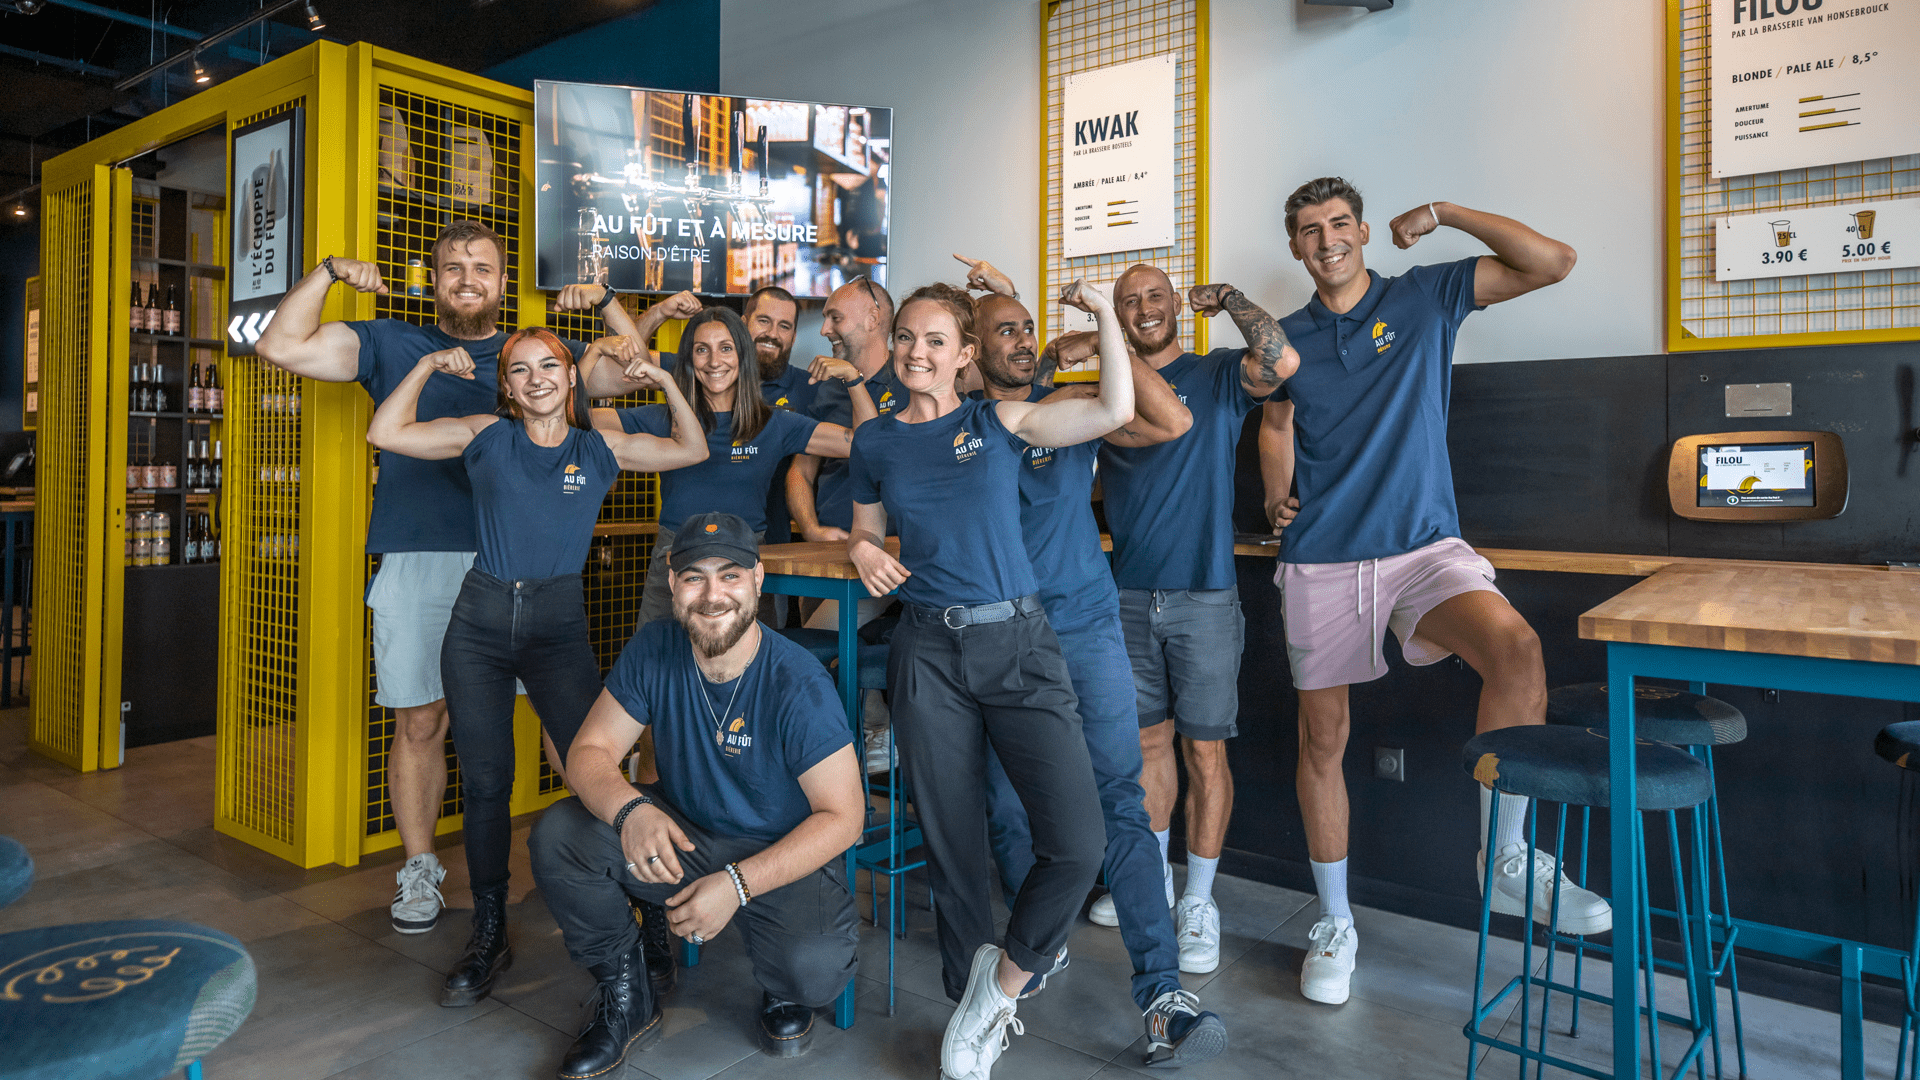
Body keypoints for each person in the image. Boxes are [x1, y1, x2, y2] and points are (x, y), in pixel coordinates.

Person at [255, 220, 660, 937]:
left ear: (503, 282)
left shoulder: (534, 355)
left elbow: (635, 366)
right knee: (421, 719)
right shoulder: (391, 342)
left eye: (482, 266)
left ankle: (602, 863)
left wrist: (603, 304)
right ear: (434, 279)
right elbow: (279, 345)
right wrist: (325, 272)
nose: (467, 276)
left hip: (533, 568)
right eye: (451, 267)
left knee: (570, 733)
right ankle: (421, 871)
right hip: (421, 557)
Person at [1257, 176, 1600, 1007]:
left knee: (1516, 649)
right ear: (1296, 248)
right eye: (1309, 229)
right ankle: (1335, 923)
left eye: (1339, 223)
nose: (1326, 238)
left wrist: (1446, 214)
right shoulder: (1289, 336)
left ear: (1366, 232)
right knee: (1322, 742)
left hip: (1423, 549)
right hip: (1324, 556)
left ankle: (1507, 857)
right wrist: (1276, 497)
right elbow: (1274, 422)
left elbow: (1553, 261)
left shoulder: (1425, 294)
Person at [365, 328, 707, 1008]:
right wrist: (430, 363)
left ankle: (643, 915)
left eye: (549, 365)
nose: (536, 377)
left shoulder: (597, 447)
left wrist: (666, 380)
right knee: (487, 782)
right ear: (508, 387)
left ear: (570, 377)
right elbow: (385, 431)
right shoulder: (483, 433)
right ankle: (489, 929)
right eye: (520, 370)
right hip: (479, 626)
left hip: (557, 627)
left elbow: (691, 448)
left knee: (594, 770)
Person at [846, 280, 1127, 1080]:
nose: (916, 353)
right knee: (952, 842)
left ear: (965, 355)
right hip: (927, 648)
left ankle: (998, 988)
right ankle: (971, 1007)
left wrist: (1103, 314)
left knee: (1077, 841)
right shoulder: (875, 443)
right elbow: (866, 535)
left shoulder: (996, 420)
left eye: (936, 341)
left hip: (1020, 641)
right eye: (906, 337)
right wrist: (862, 550)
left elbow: (1109, 409)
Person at [956, 255, 1228, 1069]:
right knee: (1006, 808)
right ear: (969, 348)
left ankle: (1162, 994)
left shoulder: (1067, 408)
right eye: (1004, 330)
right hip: (1002, 637)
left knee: (1119, 795)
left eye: (1028, 328)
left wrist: (1104, 324)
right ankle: (1041, 941)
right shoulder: (956, 429)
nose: (1025, 340)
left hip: (1084, 623)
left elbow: (1171, 420)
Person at [529, 513, 863, 1076]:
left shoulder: (796, 681)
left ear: (758, 579)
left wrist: (737, 885)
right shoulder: (655, 646)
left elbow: (845, 817)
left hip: (777, 852)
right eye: (694, 577)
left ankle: (779, 985)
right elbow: (589, 752)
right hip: (685, 834)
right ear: (671, 581)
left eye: (730, 575)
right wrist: (631, 809)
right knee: (561, 836)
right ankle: (627, 992)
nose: (713, 596)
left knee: (815, 973)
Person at [1094, 264, 1296, 976]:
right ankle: (1152, 888)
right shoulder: (1109, 388)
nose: (1144, 308)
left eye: (1155, 295)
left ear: (1177, 304)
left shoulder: (1215, 374)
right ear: (1115, 316)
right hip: (1125, 598)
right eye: (1128, 302)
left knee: (1206, 754)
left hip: (1205, 596)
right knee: (1146, 749)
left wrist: (1234, 301)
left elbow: (1279, 364)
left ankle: (1200, 903)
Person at [612, 307, 875, 628]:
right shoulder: (662, 417)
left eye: (726, 348)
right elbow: (578, 420)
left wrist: (853, 379)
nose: (714, 361)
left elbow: (863, 443)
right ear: (688, 360)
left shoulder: (771, 423)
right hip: (675, 556)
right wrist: (602, 349)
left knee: (748, 670)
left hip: (746, 558)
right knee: (656, 666)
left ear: (743, 356)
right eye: (701, 350)